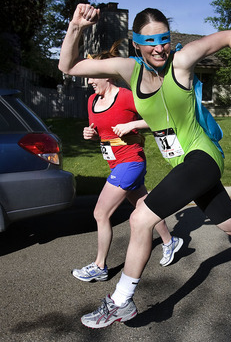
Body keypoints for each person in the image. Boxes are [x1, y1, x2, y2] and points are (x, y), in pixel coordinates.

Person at [59, 3, 231, 329]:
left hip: (202, 157)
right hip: (183, 163)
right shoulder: (128, 70)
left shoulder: (184, 60)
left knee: (140, 218)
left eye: (165, 38)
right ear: (136, 44)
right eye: (151, 41)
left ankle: (120, 301)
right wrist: (76, 25)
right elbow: (69, 66)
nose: (160, 47)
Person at [71, 43, 183, 283]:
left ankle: (100, 266)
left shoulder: (126, 96)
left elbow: (161, 118)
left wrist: (133, 125)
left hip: (131, 162)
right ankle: (170, 241)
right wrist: (90, 135)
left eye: (92, 76)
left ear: (107, 75)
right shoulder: (92, 101)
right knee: (144, 207)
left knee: (100, 213)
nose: (89, 81)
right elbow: (101, 132)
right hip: (114, 163)